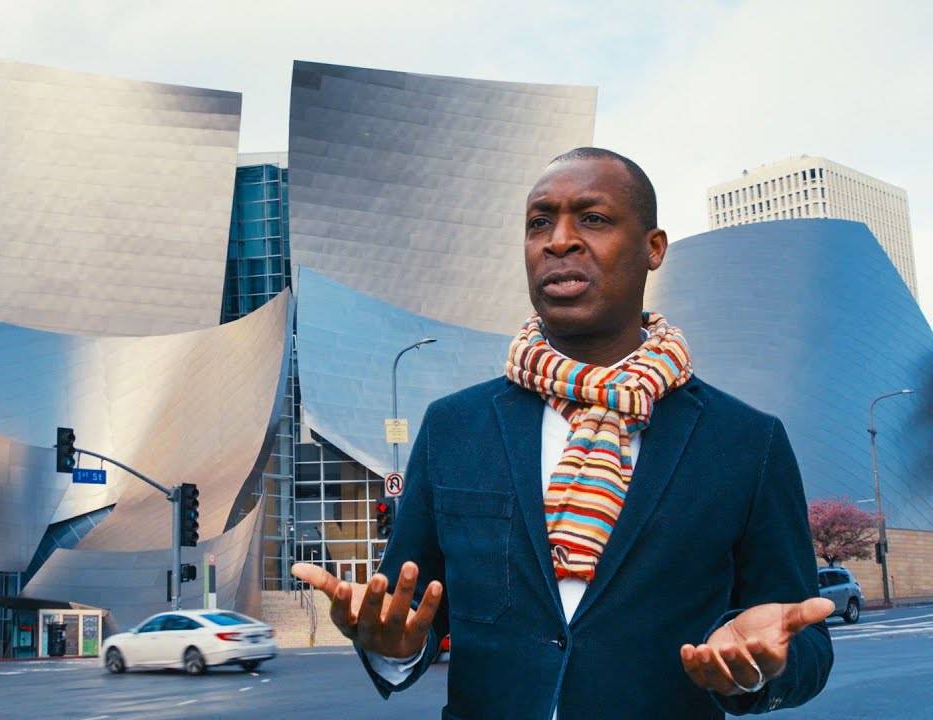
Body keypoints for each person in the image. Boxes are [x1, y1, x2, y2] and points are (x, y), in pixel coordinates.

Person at [292, 147, 834, 719]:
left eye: (593, 219)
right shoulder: (455, 427)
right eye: (539, 222)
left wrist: (753, 669)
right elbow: (414, 611)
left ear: (654, 249)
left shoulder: (746, 442)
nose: (559, 240)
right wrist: (395, 648)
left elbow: (804, 641)